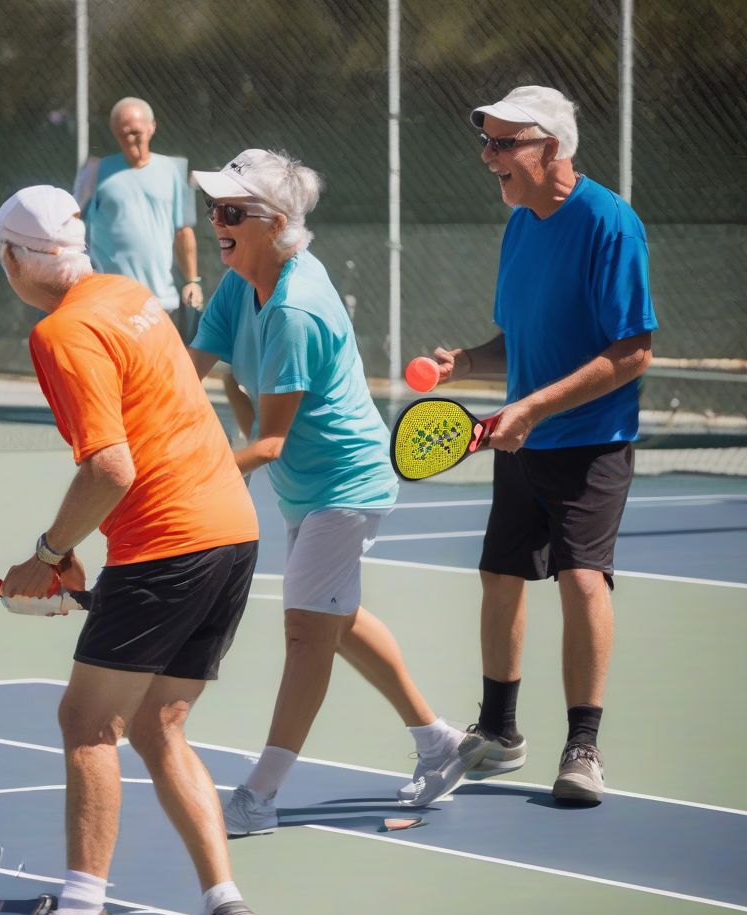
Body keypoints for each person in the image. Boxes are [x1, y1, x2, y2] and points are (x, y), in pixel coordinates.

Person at [0, 185, 260, 915]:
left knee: (87, 724)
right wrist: (75, 548)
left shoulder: (60, 333)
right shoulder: (130, 295)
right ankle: (222, 902)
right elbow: (150, 429)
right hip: (232, 532)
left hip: (168, 541)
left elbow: (111, 465)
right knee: (157, 726)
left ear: (14, 258)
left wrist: (46, 550)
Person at [187, 149, 490, 836]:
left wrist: (185, 477)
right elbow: (186, 371)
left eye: (233, 212)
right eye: (215, 209)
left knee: (304, 632)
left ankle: (258, 798)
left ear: (277, 222)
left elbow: (267, 444)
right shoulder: (242, 279)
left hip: (344, 483)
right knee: (336, 618)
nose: (218, 223)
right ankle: (439, 743)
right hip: (309, 486)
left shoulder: (297, 307)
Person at [431, 86, 656, 805]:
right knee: (501, 577)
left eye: (504, 144)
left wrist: (532, 406)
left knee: (581, 579)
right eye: (486, 142)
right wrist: (467, 362)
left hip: (590, 441)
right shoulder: (522, 221)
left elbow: (632, 351)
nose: (488, 156)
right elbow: (520, 338)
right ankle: (499, 732)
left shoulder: (610, 225)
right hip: (522, 440)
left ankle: (583, 748)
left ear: (551, 149)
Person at [75, 96, 204, 341]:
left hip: (161, 302)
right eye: (122, 133)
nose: (129, 139)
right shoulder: (94, 171)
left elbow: (183, 231)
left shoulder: (173, 170)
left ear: (151, 127)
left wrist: (192, 281)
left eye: (135, 132)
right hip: (110, 302)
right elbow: (73, 224)